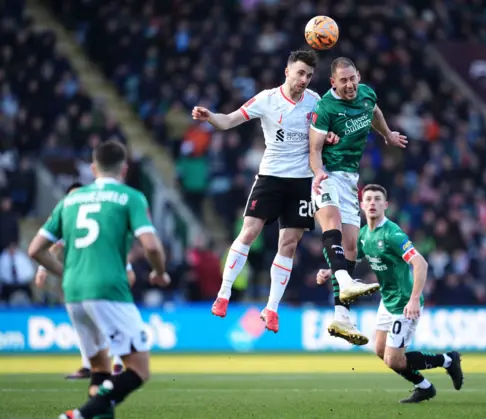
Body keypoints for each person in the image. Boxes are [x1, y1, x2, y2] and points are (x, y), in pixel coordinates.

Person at [192, 49, 338, 333]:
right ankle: (223, 294)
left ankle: (271, 309)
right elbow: (230, 120)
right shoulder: (266, 100)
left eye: (308, 75)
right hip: (270, 177)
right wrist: (210, 117)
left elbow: (322, 137)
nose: (304, 80)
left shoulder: (315, 101)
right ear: (287, 72)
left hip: (301, 181)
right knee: (248, 232)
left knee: (289, 245)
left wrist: (329, 137)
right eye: (299, 73)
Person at [27, 140, 171, 419]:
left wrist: (65, 272)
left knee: (100, 369)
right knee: (139, 369)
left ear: (93, 168)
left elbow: (35, 250)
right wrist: (160, 272)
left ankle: (95, 414)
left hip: (73, 292)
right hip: (108, 288)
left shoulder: (69, 200)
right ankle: (78, 416)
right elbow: (151, 246)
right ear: (124, 169)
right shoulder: (131, 197)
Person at [317, 184, 463, 403]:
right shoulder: (365, 234)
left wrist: (414, 299)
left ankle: (448, 361)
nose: (372, 203)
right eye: (368, 199)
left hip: (405, 302)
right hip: (387, 301)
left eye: (377, 199)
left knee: (393, 360)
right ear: (362, 205)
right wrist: (331, 271)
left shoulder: (393, 234)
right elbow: (353, 259)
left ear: (386, 205)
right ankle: (424, 386)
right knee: (380, 351)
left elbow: (420, 264)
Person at [309, 57, 408, 345]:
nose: (350, 84)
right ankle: (346, 281)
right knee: (333, 227)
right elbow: (313, 148)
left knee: (351, 246)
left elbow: (374, 111)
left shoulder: (366, 94)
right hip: (325, 174)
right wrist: (317, 173)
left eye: (353, 78)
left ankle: (341, 317)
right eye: (344, 81)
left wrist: (387, 134)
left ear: (358, 76)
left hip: (350, 177)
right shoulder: (325, 108)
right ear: (333, 83)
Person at [34, 182, 136, 380]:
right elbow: (53, 247)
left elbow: (45, 247)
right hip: (91, 278)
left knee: (101, 323)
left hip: (99, 275)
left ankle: (111, 364)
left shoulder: (84, 219)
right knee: (91, 326)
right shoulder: (76, 221)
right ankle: (94, 366)